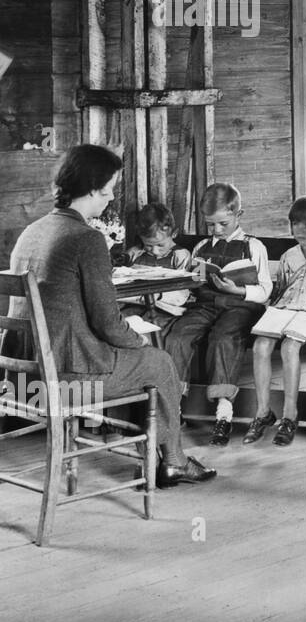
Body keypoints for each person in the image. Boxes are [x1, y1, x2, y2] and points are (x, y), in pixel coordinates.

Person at [1, 145, 214, 486]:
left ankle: (157, 456)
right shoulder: (86, 239)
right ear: (92, 187)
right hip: (62, 387)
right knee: (157, 362)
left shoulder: (32, 232)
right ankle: (173, 460)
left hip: (19, 384)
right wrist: (136, 338)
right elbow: (108, 323)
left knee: (141, 358)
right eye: (109, 188)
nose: (111, 197)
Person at [164, 183, 272, 447]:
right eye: (211, 225)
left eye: (223, 223)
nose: (216, 230)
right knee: (178, 334)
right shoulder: (201, 247)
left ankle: (224, 413)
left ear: (239, 214)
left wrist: (239, 289)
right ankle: (174, 408)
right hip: (206, 304)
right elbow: (193, 284)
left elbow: (266, 290)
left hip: (240, 307)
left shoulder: (253, 246)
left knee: (223, 338)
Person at [244, 195, 306, 447]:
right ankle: (263, 412)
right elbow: (279, 293)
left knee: (289, 347)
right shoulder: (289, 256)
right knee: (261, 345)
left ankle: (290, 414)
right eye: (296, 223)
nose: (301, 229)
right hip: (285, 310)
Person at [119, 202, 193, 337]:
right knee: (121, 325)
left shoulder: (180, 255)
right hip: (135, 304)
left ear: (174, 233)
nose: (155, 251)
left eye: (160, 245)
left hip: (165, 307)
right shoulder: (135, 253)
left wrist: (157, 296)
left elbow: (184, 290)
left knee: (151, 330)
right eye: (148, 245)